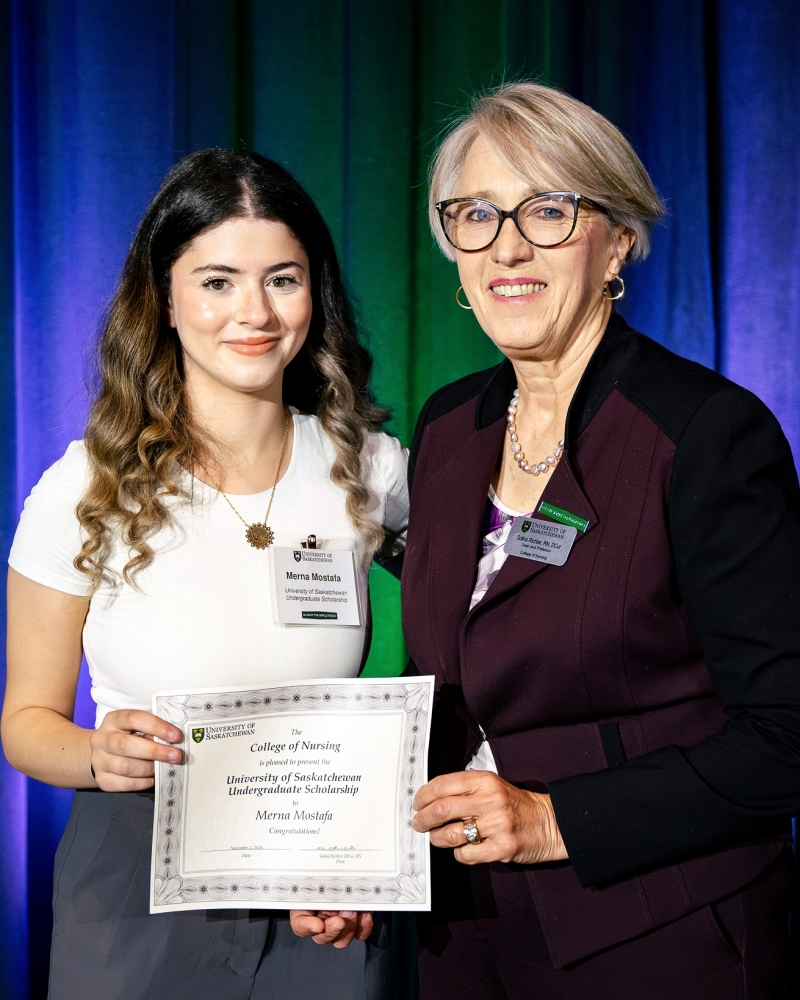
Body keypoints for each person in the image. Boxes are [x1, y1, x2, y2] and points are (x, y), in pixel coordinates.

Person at [404, 82, 800, 998]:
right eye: (476, 214)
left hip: (661, 935)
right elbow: (447, 693)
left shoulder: (704, 433)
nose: (506, 246)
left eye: (547, 211)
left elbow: (786, 734)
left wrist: (555, 821)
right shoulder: (450, 427)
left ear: (617, 241)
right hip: (466, 937)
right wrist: (351, 862)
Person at [1, 149, 407, 1000]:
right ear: (165, 298)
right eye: (218, 282)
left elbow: (485, 623)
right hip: (133, 882)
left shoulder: (371, 470)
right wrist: (96, 754)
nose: (254, 313)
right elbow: (26, 723)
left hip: (319, 893)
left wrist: (373, 842)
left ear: (314, 293)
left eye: (283, 280)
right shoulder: (84, 488)